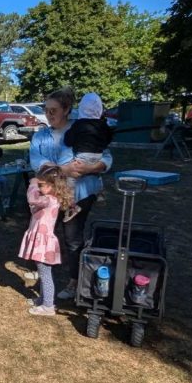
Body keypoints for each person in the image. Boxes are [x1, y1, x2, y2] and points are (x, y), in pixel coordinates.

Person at [29, 86, 112, 302]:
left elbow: (106, 156)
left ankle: (75, 282)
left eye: (53, 110)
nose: (49, 114)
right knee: (44, 233)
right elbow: (37, 162)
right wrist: (63, 170)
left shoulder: (83, 128)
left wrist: (90, 168)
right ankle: (43, 272)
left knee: (72, 238)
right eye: (46, 110)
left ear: (66, 110)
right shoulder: (40, 136)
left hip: (80, 193)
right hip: (49, 196)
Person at [19, 165, 74, 316]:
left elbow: (32, 198)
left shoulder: (49, 199)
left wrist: (32, 183)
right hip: (42, 241)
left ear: (52, 185)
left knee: (45, 275)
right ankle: (43, 299)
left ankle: (48, 306)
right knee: (44, 273)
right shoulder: (50, 198)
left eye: (41, 185)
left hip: (43, 244)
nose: (38, 187)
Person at [62, 92, 114, 221]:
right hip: (98, 155)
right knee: (96, 173)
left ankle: (71, 206)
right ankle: (100, 193)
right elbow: (108, 138)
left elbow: (68, 140)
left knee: (71, 179)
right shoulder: (103, 125)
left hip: (83, 155)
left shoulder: (78, 124)